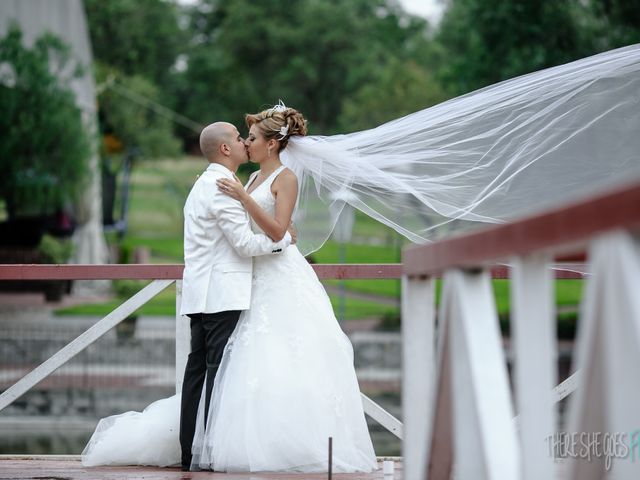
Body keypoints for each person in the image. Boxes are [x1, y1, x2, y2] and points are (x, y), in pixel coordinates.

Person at [81, 121, 294, 470]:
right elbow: (243, 244)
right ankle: (205, 451)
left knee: (198, 370)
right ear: (225, 148)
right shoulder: (220, 188)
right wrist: (282, 242)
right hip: (221, 294)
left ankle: (190, 451)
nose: (244, 143)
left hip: (203, 292)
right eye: (240, 139)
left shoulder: (206, 183)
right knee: (215, 372)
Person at [191, 105, 377, 472]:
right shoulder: (252, 179)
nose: (247, 143)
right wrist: (246, 200)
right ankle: (254, 443)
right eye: (246, 138)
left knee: (286, 355)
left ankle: (295, 446)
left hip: (279, 274)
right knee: (251, 363)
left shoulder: (285, 178)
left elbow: (278, 230)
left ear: (273, 144)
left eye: (254, 139)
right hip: (254, 276)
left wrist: (245, 201)